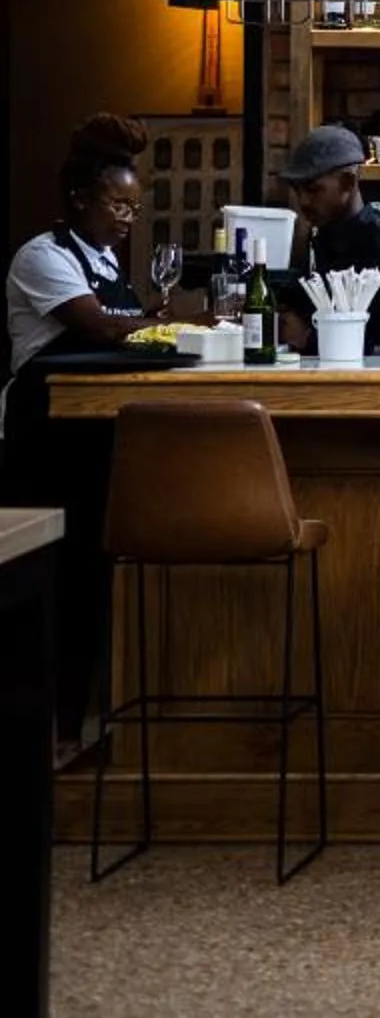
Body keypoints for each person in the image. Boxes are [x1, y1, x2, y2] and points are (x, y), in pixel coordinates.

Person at [3, 113, 174, 740]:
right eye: (117, 204)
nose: (128, 217)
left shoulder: (102, 258)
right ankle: (46, 732)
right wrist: (174, 327)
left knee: (90, 581)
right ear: (79, 198)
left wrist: (161, 323)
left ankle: (84, 722)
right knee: (52, 586)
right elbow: (99, 327)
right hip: (44, 438)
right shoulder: (41, 257)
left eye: (134, 205)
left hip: (100, 440)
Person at [274, 126, 380, 355]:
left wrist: (308, 338)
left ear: (348, 183)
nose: (303, 201)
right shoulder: (318, 241)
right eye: (297, 190)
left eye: (313, 190)